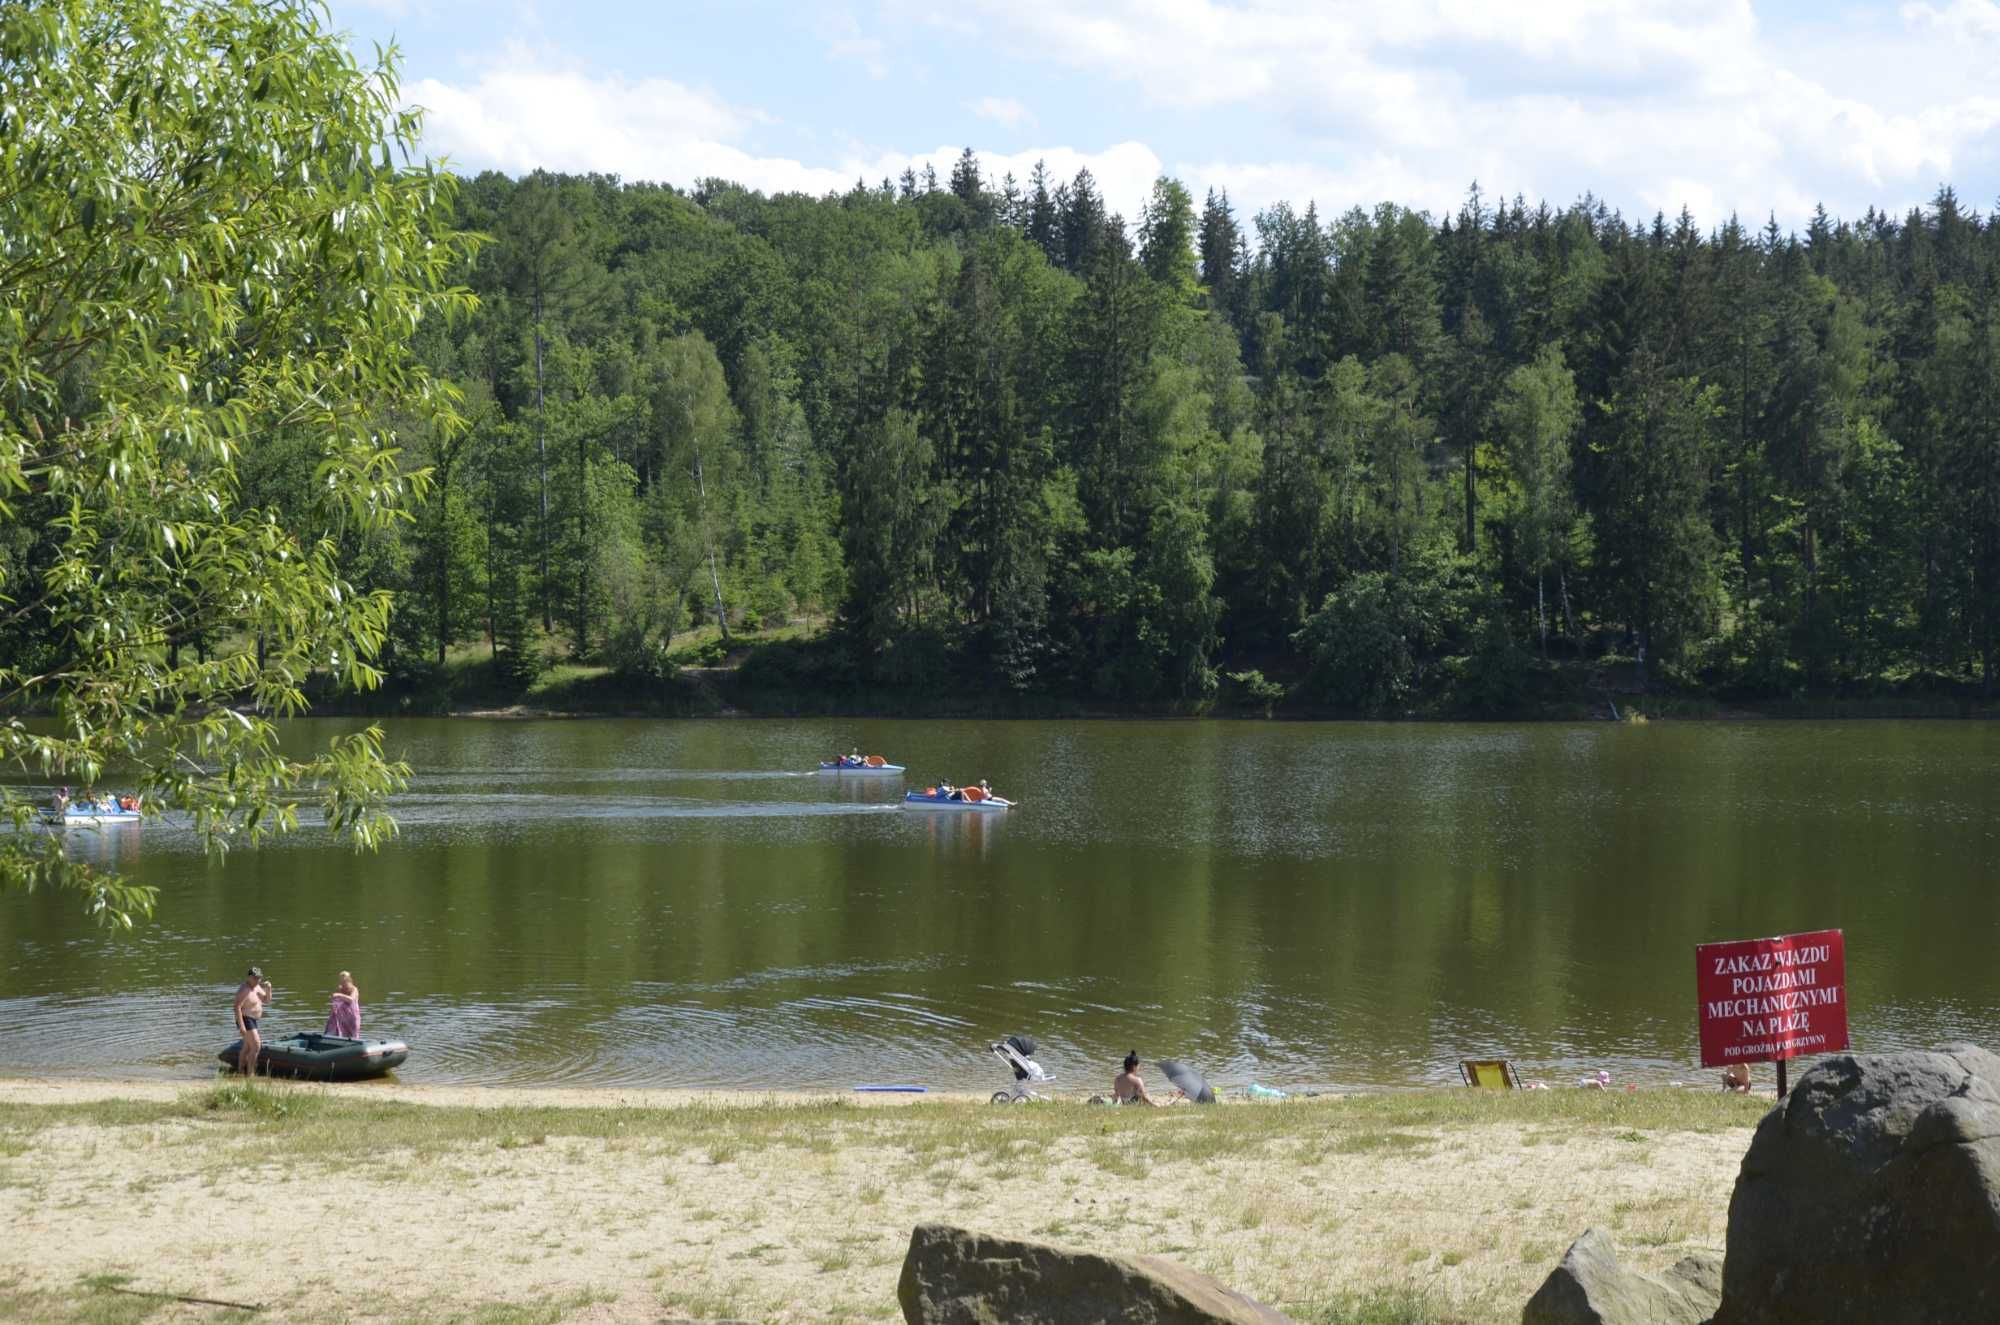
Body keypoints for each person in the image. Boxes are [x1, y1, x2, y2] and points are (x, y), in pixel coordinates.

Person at [234, 967, 272, 1077]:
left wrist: (268, 989)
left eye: (259, 978)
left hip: (253, 1020)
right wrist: (241, 1026)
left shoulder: (257, 987)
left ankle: (240, 1070)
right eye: (255, 978)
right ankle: (250, 1074)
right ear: (249, 977)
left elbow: (267, 1000)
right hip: (245, 1019)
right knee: (256, 1046)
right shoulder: (244, 989)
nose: (257, 980)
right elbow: (237, 1007)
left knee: (247, 1046)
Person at [324, 970, 361, 1038]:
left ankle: (355, 1044)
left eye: (345, 980)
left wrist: (339, 995)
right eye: (341, 980)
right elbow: (335, 1001)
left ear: (349, 979)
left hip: (352, 1015)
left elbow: (351, 1000)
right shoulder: (340, 988)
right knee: (337, 1029)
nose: (343, 983)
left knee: (354, 1034)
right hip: (342, 1016)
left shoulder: (354, 989)